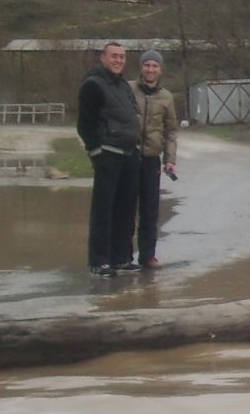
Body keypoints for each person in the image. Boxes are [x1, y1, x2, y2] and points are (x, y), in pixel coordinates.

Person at [76, 41, 141, 277]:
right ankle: (99, 261)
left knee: (125, 210)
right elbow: (85, 124)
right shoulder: (92, 85)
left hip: (129, 154)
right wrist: (96, 152)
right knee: (103, 211)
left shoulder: (124, 85)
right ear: (103, 58)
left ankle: (121, 258)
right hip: (108, 155)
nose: (118, 61)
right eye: (114, 56)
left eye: (122, 57)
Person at [129, 50, 178, 268]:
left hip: (151, 159)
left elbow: (170, 131)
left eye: (154, 65)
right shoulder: (128, 89)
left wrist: (170, 159)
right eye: (147, 65)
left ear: (160, 69)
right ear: (141, 67)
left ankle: (148, 256)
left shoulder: (166, 97)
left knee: (149, 211)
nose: (150, 69)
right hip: (129, 156)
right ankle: (123, 256)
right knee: (126, 209)